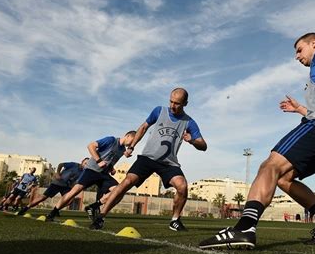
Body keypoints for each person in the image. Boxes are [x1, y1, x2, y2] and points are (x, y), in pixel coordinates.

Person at [199, 32, 315, 249]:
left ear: (314, 45)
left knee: (270, 165)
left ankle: (244, 228)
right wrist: (300, 109)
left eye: (299, 50)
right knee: (284, 178)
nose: (297, 56)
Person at [90, 88, 207, 231]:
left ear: (185, 103)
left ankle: (175, 220)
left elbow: (203, 145)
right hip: (147, 158)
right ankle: (101, 217)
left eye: (177, 103)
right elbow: (143, 127)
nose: (172, 105)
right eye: (171, 101)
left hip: (168, 163)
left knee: (182, 186)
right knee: (127, 182)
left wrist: (192, 141)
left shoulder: (189, 122)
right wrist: (132, 146)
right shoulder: (159, 111)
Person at [45, 131, 136, 221]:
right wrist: (99, 161)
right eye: (132, 140)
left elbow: (109, 160)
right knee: (74, 192)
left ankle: (93, 207)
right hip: (92, 170)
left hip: (103, 174)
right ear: (127, 136)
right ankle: (53, 213)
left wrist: (111, 169)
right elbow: (91, 146)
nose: (132, 143)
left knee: (119, 191)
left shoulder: (122, 150)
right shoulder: (111, 140)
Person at [17, 158, 89, 215]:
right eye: (85, 163)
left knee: (69, 201)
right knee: (43, 197)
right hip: (58, 183)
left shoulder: (84, 172)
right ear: (82, 161)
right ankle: (26, 208)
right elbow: (61, 164)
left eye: (87, 164)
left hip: (67, 187)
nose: (86, 165)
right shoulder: (73, 164)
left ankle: (56, 209)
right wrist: (57, 173)